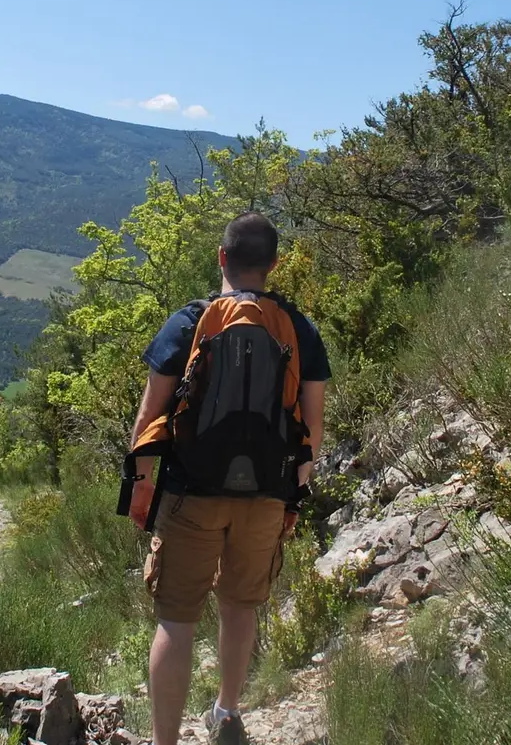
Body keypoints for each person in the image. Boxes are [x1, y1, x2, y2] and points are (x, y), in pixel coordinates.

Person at [125, 211, 329, 745]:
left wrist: (140, 487)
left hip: (191, 492)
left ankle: (165, 741)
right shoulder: (299, 329)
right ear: (274, 265)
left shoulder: (188, 322)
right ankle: (227, 713)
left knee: (177, 619)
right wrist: (292, 495)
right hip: (266, 494)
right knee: (240, 605)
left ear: (221, 257)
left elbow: (149, 417)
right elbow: (312, 428)